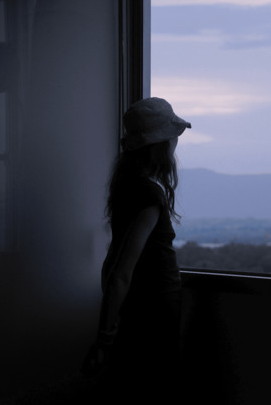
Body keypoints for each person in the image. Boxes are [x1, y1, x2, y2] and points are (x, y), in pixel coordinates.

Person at [81, 97, 191, 401]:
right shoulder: (148, 194)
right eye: (171, 139)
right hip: (155, 313)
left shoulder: (127, 188)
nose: (174, 146)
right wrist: (103, 339)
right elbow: (122, 272)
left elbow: (114, 265)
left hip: (138, 310)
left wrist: (110, 322)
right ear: (159, 145)